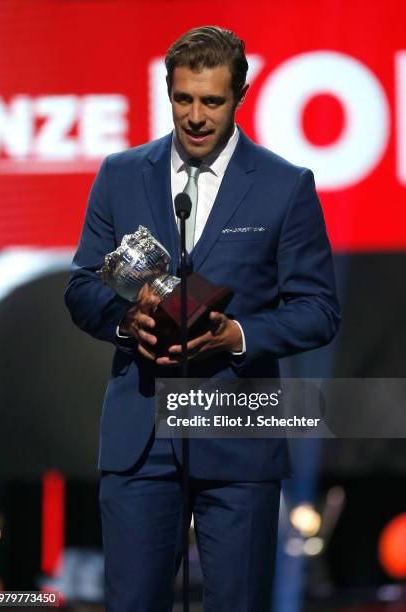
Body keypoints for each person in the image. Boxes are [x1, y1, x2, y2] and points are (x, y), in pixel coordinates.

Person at [65, 25, 340, 612]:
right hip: (140, 438)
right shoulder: (120, 174)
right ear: (167, 94)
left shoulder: (284, 186)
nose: (195, 116)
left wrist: (236, 334)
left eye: (211, 101)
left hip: (238, 430)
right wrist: (124, 321)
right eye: (183, 99)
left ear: (238, 97)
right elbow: (82, 287)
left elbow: (318, 311)